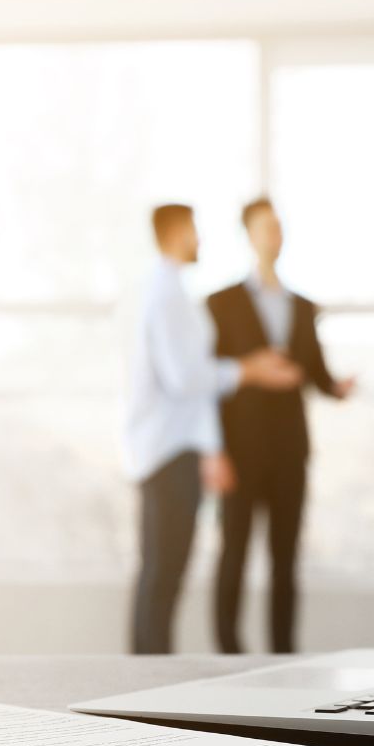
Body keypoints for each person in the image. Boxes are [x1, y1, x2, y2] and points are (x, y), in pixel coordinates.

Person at [125, 203, 302, 654]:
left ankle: (146, 675)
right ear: (178, 231)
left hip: (169, 445)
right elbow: (185, 377)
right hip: (169, 447)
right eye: (195, 231)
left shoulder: (164, 292)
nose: (199, 240)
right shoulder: (165, 296)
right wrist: (248, 370)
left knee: (162, 573)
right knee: (164, 573)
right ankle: (145, 684)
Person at [208, 198, 355, 654]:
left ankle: (283, 651)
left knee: (285, 560)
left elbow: (315, 373)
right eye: (266, 227)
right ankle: (227, 652)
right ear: (248, 234)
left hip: (289, 449)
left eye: (280, 227)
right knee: (233, 554)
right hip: (239, 448)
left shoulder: (303, 307)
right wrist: (214, 450)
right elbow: (209, 376)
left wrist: (337, 387)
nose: (275, 235)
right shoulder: (220, 303)